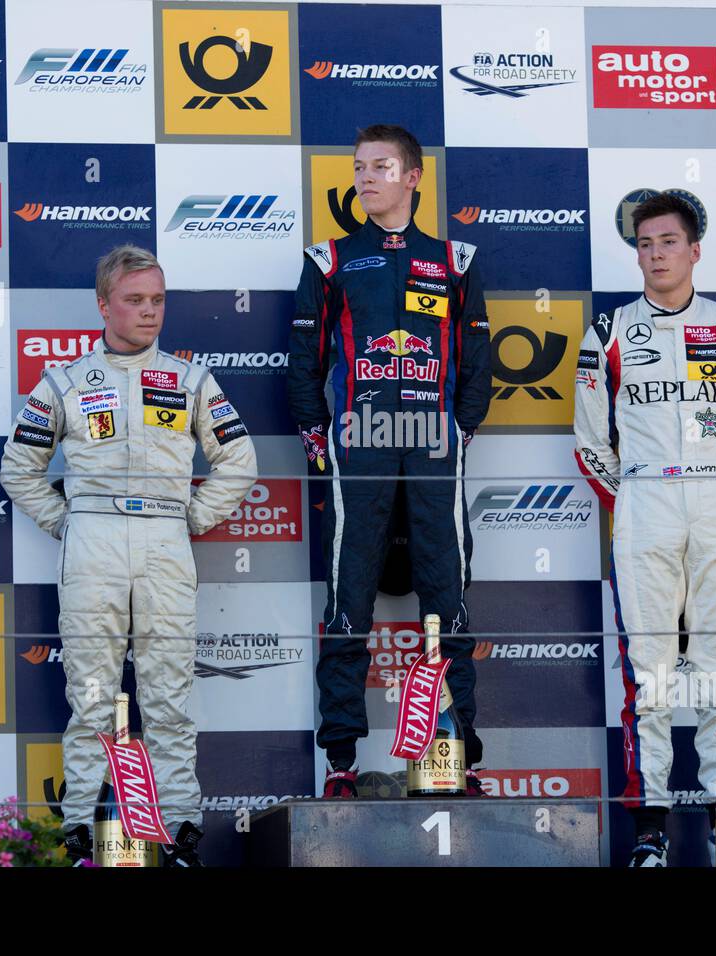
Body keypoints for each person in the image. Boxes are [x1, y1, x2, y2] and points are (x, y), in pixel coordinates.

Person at [1, 244, 257, 866]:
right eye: (135, 300)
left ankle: (181, 832)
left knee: (168, 696)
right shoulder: (64, 380)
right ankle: (81, 834)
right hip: (93, 544)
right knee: (91, 694)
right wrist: (67, 522)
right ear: (103, 305)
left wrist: (190, 517)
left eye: (158, 300)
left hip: (166, 541)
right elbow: (19, 466)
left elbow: (239, 462)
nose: (149, 312)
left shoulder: (190, 378)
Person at [287, 124, 492, 798]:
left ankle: (455, 758)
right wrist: (322, 443)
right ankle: (341, 764)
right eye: (358, 167)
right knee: (348, 607)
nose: (365, 178)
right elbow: (302, 368)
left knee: (448, 604)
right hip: (361, 445)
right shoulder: (329, 259)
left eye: (381, 166)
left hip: (434, 450)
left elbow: (477, 365)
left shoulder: (456, 259)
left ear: (414, 177)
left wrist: (457, 435)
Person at [573, 193, 716, 866]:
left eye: (666, 241)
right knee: (649, 676)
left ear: (694, 250)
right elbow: (590, 439)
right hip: (644, 502)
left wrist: (711, 485)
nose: (654, 253)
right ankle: (650, 830)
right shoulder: (608, 330)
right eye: (644, 244)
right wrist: (634, 497)